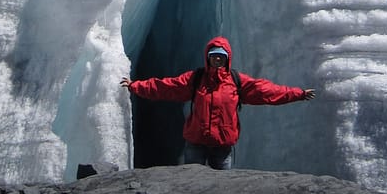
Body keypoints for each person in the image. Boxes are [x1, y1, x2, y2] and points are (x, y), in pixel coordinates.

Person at [120, 36, 315, 169]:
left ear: (227, 58)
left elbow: (267, 91)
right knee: (191, 185)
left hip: (222, 145)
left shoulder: (237, 81)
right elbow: (166, 87)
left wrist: (297, 94)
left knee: (222, 190)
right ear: (208, 57)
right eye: (214, 56)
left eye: (221, 56)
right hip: (196, 143)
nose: (217, 60)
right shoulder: (195, 79)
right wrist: (136, 86)